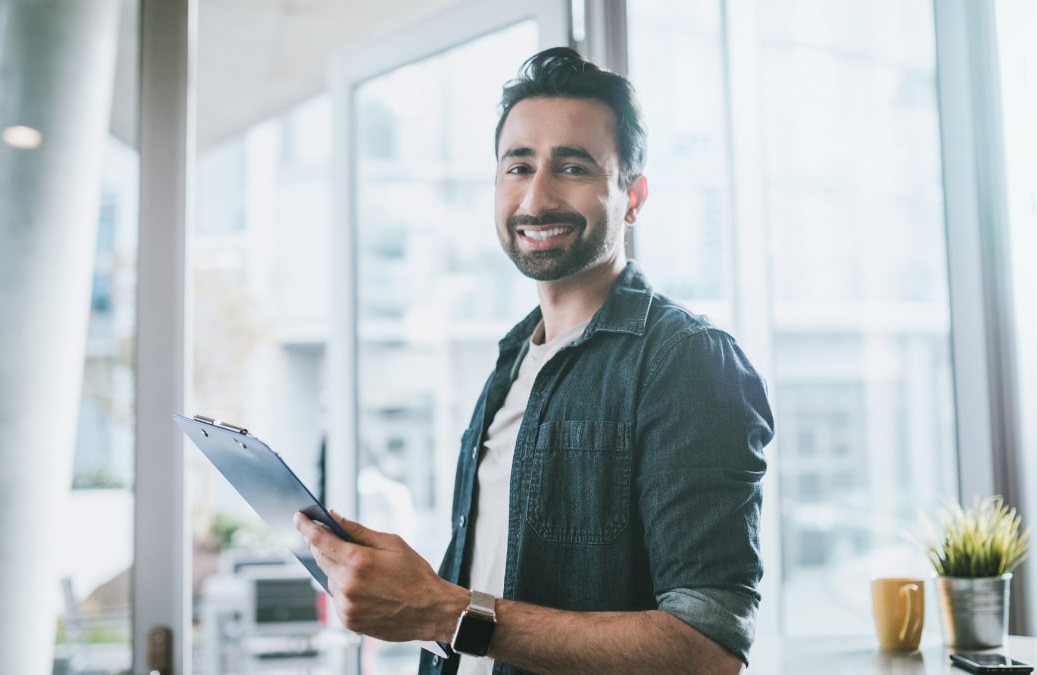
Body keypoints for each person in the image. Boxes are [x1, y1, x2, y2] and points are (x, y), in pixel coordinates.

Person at [295, 47, 774, 675]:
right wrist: (405, 591)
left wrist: (443, 609)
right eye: (518, 166)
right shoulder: (511, 362)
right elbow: (487, 588)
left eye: (573, 167)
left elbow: (706, 652)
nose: (536, 196)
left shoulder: (687, 361)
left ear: (632, 196)